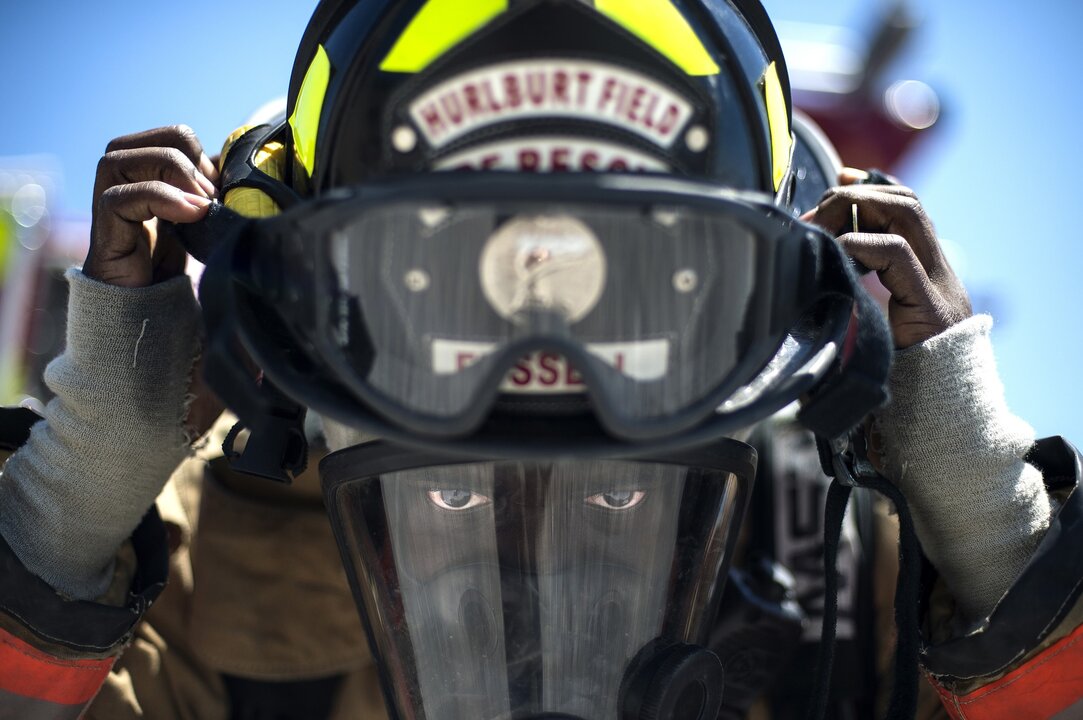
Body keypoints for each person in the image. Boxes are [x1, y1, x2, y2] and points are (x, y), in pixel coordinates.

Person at [1, 1, 1081, 719]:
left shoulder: (854, 582)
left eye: (639, 284)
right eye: (446, 278)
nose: (543, 344)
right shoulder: (205, 567)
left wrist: (982, 505)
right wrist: (81, 488)